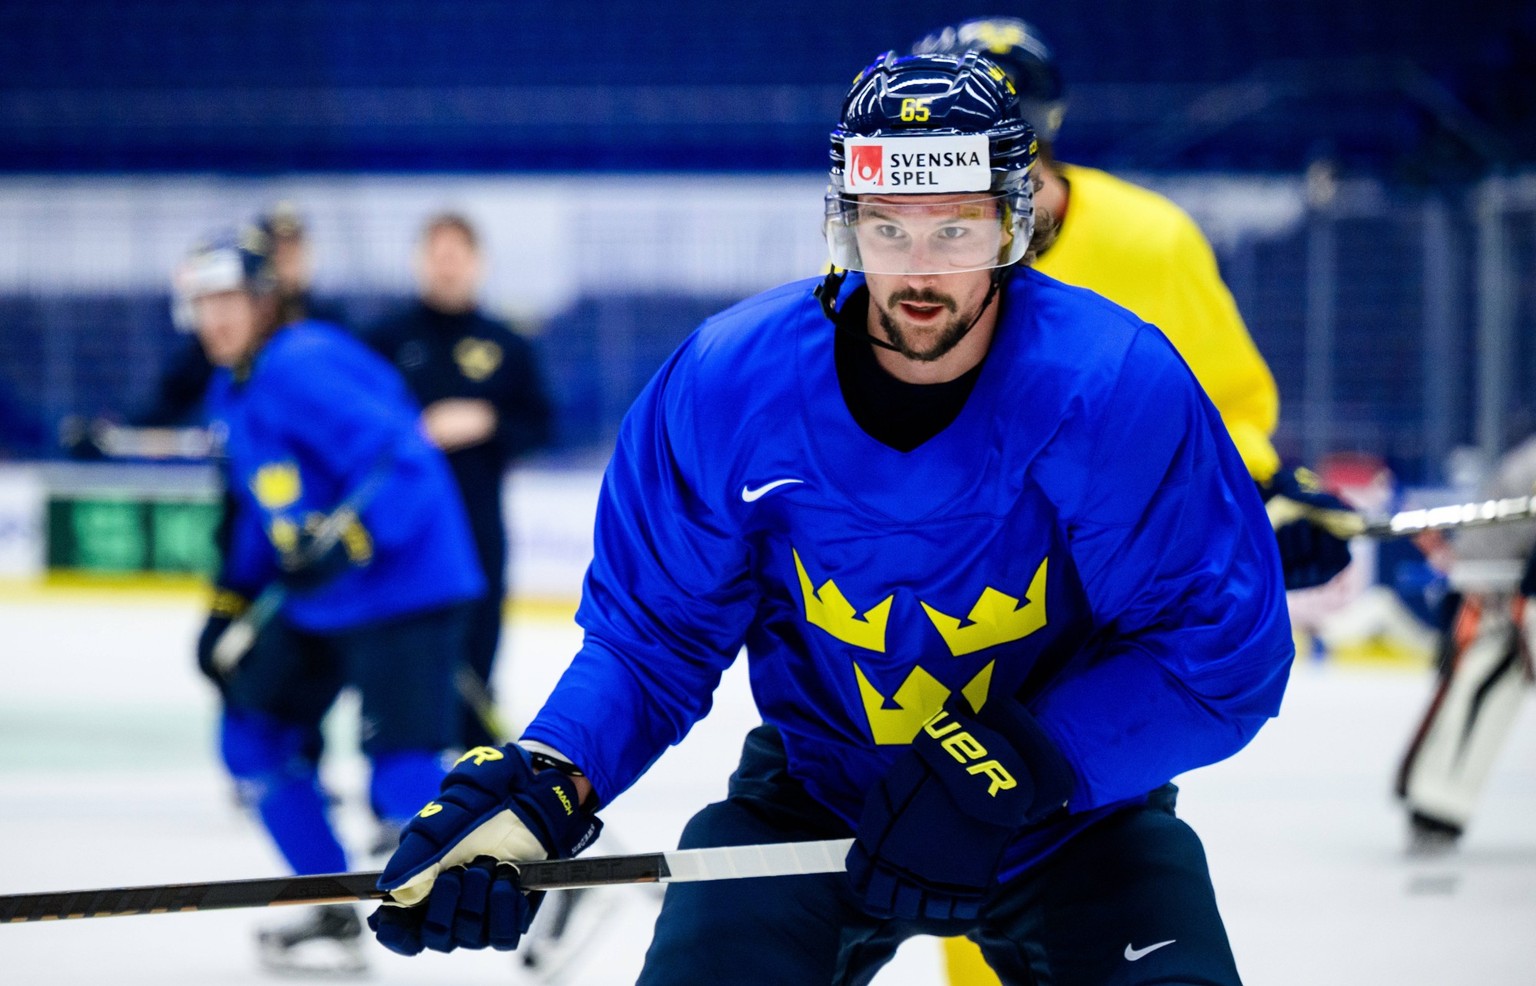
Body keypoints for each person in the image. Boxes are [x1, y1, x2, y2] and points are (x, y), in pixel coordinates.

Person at [366, 51, 1294, 986]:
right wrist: (550, 780)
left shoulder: (1111, 385)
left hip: (1072, 815)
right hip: (821, 798)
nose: (919, 273)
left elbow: (1220, 647)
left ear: (1013, 226)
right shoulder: (729, 387)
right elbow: (654, 643)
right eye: (889, 228)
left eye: (956, 230)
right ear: (847, 223)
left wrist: (1019, 760)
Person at [909, 19, 1354, 982]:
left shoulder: (1150, 241)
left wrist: (1261, 501)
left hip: (1112, 614)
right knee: (961, 840)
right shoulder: (914, 253)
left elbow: (1230, 409)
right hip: (964, 608)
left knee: (1091, 832)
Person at [913, 15, 1355, 597]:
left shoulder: (1149, 240)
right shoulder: (890, 247)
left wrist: (1261, 484)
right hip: (942, 567)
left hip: (1109, 573)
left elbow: (1222, 403)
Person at [178, 223, 485, 975]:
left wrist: (353, 541)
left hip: (404, 589)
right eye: (200, 302)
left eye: (229, 298)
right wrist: (230, 599)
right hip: (325, 603)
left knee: (401, 776)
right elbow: (266, 506)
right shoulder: (233, 387)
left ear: (263, 301)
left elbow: (407, 462)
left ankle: (542, 888)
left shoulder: (301, 362)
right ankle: (328, 906)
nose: (214, 316)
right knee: (251, 735)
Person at [363, 212, 553, 748]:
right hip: (398, 534)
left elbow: (541, 423)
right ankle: (395, 793)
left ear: (477, 263)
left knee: (475, 664)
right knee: (400, 669)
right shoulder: (384, 342)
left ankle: (471, 789)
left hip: (476, 531)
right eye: (436, 255)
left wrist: (486, 421)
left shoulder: (506, 345)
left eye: (457, 255)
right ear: (419, 261)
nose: (446, 267)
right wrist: (411, 431)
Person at [1395, 433, 1536, 854]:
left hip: (1496, 589)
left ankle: (1436, 806)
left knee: (1472, 697)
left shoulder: (1526, 456)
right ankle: (1437, 807)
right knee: (1476, 698)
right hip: (1497, 596)